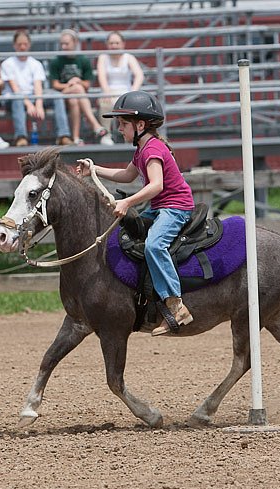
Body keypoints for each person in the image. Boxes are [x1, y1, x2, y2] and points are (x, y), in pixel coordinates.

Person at [76, 91, 194, 336]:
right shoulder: (142, 148)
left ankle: (176, 305)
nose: (119, 129)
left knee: (154, 245)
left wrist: (127, 202)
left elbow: (156, 185)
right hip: (159, 207)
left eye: (123, 124)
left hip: (174, 208)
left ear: (140, 125)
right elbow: (127, 176)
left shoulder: (152, 150)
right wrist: (94, 169)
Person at [0, 29, 70, 147]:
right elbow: (14, 88)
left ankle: (63, 135)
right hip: (14, 99)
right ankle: (20, 137)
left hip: (33, 96)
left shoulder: (35, 64)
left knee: (57, 95)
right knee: (17, 98)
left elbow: (38, 85)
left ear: (29, 45)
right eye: (19, 44)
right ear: (14, 45)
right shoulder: (7, 63)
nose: (22, 47)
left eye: (25, 44)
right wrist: (28, 104)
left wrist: (38, 103)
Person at [49, 29, 113, 146]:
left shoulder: (83, 60)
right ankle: (95, 125)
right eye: (62, 44)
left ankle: (76, 138)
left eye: (66, 44)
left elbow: (87, 84)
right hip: (62, 96)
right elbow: (55, 85)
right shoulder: (56, 61)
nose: (64, 47)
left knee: (75, 99)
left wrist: (78, 81)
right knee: (78, 89)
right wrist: (71, 84)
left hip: (76, 97)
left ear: (75, 43)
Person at [96, 31, 144, 135]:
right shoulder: (103, 58)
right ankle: (106, 134)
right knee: (105, 103)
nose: (114, 46)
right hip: (108, 92)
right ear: (107, 44)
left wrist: (133, 92)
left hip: (126, 92)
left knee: (133, 106)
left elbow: (139, 75)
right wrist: (106, 92)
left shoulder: (129, 57)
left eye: (117, 43)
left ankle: (132, 135)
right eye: (111, 43)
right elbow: (102, 76)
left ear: (123, 44)